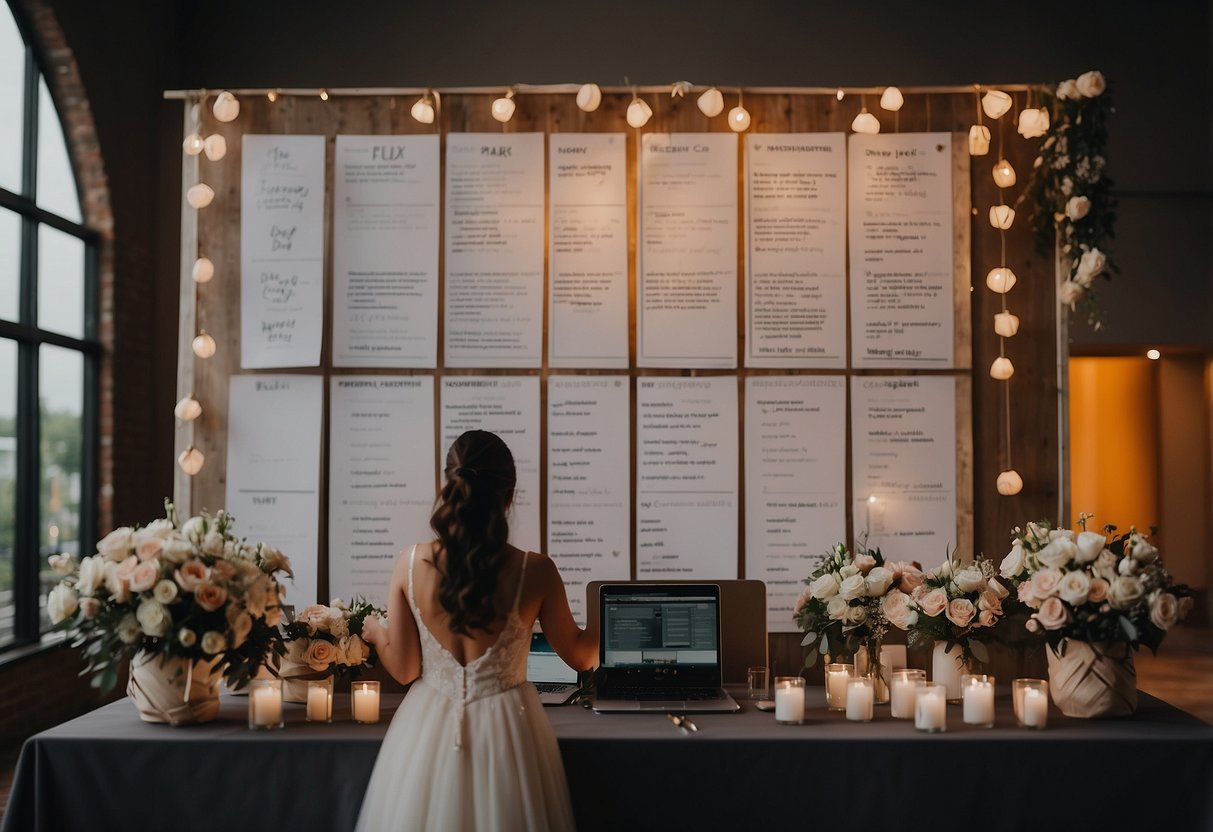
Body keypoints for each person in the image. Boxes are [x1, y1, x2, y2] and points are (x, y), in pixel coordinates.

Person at [356, 429, 598, 831]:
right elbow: (581, 656)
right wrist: (606, 611)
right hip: (509, 727)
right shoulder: (535, 571)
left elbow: (404, 669)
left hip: (426, 728)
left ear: (450, 485)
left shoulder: (409, 563)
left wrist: (376, 632)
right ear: (508, 498)